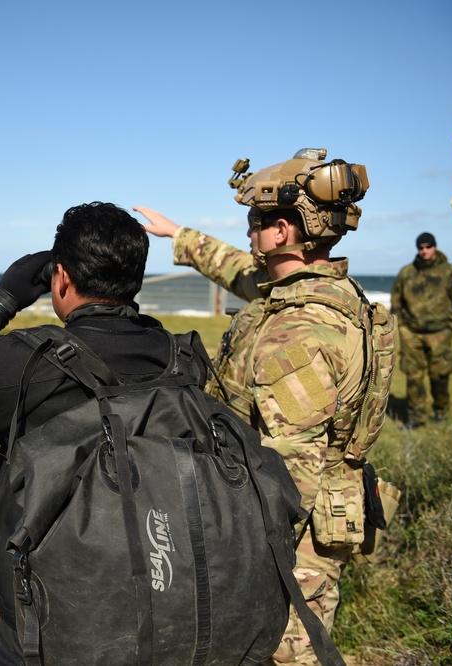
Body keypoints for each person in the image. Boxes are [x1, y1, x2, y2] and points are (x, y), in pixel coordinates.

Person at [0, 202, 185, 665]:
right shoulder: (182, 358)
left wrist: (3, 296)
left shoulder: (36, 364)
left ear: (60, 279)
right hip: (170, 613)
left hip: (50, 633)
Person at [133, 148, 382, 665]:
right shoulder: (326, 292)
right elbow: (244, 275)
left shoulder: (296, 336)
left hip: (291, 542)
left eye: (255, 221)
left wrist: (230, 545)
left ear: (283, 231)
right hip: (317, 518)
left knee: (286, 652)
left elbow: (292, 474)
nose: (249, 233)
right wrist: (180, 236)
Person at [390, 232, 452, 428]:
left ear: (434, 247)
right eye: (421, 248)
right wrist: (402, 327)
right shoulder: (407, 272)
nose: (424, 251)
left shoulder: (449, 272)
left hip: (440, 333)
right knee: (413, 377)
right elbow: (396, 301)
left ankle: (441, 412)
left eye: (428, 247)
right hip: (412, 334)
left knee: (439, 377)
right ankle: (416, 419)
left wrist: (451, 326)